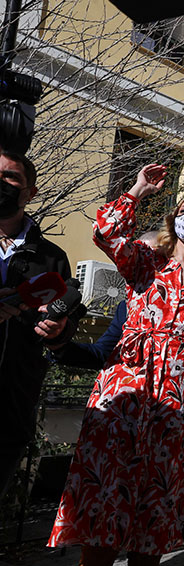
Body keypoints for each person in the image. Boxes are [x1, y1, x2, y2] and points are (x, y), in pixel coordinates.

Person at [48, 165, 184, 566]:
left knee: (158, 506)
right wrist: (138, 190)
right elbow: (107, 235)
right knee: (104, 495)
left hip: (178, 403)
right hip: (125, 394)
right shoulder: (147, 262)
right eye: (182, 209)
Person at [0, 150, 75, 500]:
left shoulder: (52, 258)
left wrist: (57, 330)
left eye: (10, 177)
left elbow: (63, 326)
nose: (1, 183)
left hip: (11, 406)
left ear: (29, 192)